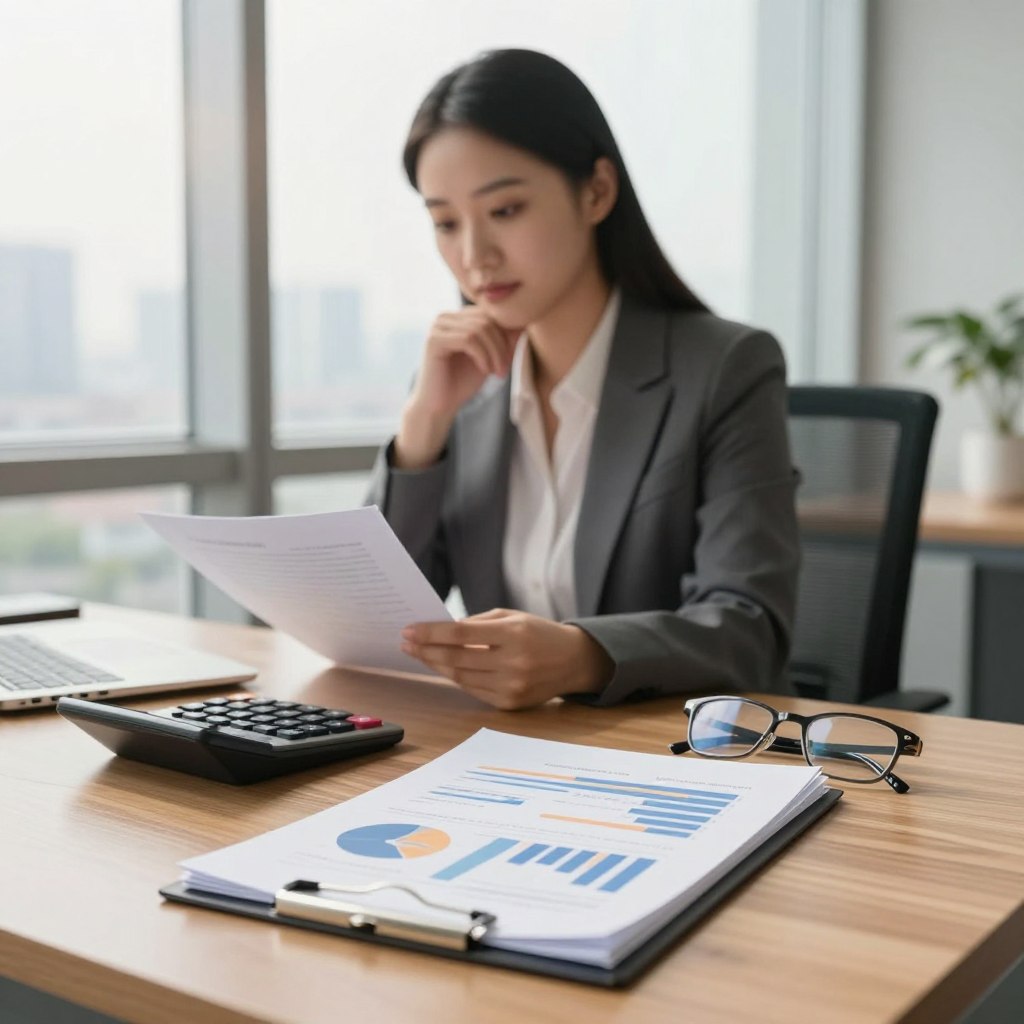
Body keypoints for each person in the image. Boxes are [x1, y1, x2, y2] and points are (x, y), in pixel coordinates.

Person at [366, 48, 800, 710]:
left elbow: (750, 628)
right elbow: (382, 619)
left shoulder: (725, 369)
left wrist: (581, 656)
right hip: (508, 759)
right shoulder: (463, 386)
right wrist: (422, 427)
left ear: (596, 191)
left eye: (505, 210)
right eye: (446, 223)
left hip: (677, 759)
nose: (474, 256)